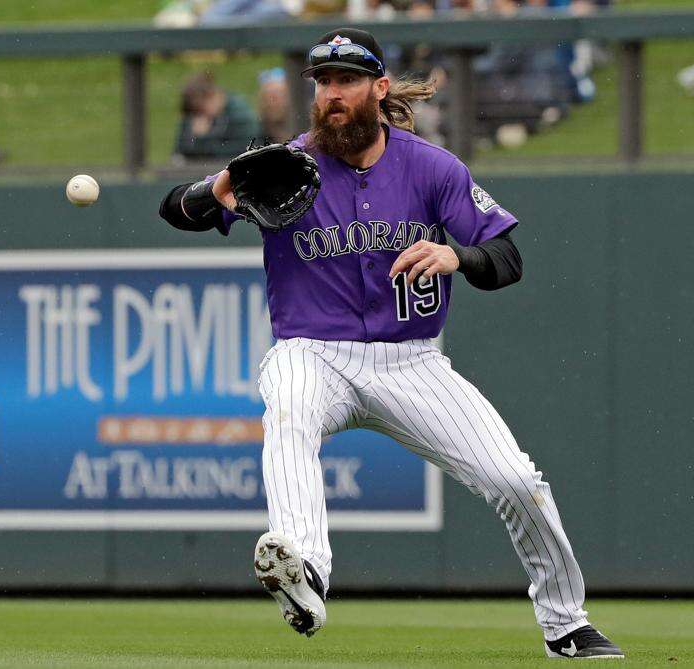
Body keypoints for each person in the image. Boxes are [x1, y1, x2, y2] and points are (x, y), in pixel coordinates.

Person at [159, 28, 624, 660]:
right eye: (322, 81)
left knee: (516, 480)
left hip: (412, 362)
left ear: (380, 87)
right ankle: (305, 569)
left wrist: (456, 254)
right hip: (312, 350)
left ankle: (566, 621)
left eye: (347, 79)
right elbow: (176, 211)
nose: (332, 94)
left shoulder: (431, 168)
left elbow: (507, 256)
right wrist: (217, 190)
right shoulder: (285, 165)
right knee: (288, 408)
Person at [173, 72, 259, 161]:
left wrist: (202, 139)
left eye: (201, 109)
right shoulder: (196, 115)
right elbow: (180, 150)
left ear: (212, 96)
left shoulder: (240, 114)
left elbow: (243, 150)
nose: (199, 115)